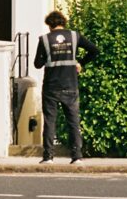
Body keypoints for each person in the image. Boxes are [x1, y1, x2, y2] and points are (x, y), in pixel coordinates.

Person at [33, 10, 98, 164]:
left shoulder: (44, 40)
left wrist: (48, 57)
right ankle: (77, 157)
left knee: (50, 121)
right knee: (73, 122)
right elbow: (94, 50)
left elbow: (37, 64)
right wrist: (80, 62)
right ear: (64, 22)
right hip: (70, 85)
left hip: (51, 87)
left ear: (49, 25)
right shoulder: (75, 36)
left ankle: (48, 157)